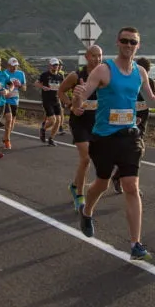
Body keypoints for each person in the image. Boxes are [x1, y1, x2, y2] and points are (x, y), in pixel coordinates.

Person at [73, 27, 155, 260]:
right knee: (102, 183)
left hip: (129, 136)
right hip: (104, 137)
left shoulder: (140, 72)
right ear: (117, 42)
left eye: (133, 42)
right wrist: (78, 97)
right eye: (125, 41)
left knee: (131, 185)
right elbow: (82, 98)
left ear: (138, 46)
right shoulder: (103, 69)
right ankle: (87, 211)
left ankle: (135, 244)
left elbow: (151, 100)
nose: (129, 45)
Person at [59, 45, 103, 210]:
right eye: (94, 55)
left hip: (97, 122)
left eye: (100, 56)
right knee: (85, 159)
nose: (97, 59)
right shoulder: (76, 76)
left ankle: (74, 185)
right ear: (86, 56)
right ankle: (79, 195)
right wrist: (71, 106)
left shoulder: (104, 75)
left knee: (95, 159)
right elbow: (61, 92)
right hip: (79, 122)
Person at [112, 56, 155, 195]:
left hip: (143, 121)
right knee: (136, 151)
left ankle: (118, 176)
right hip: (127, 121)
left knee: (136, 152)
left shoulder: (151, 83)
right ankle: (131, 184)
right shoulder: (129, 82)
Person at [37, 58, 65, 146]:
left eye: (56, 65)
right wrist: (43, 87)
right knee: (53, 120)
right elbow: (36, 83)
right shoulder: (45, 75)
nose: (55, 66)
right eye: (54, 65)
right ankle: (43, 129)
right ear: (50, 65)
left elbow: (63, 87)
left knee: (58, 121)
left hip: (56, 100)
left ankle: (51, 139)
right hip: (47, 100)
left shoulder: (60, 76)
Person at [2, 57, 26, 150]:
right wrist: (6, 92)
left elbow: (24, 88)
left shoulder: (20, 73)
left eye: (16, 66)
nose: (15, 67)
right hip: (6, 100)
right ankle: (7, 140)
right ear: (8, 65)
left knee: (12, 122)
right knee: (9, 119)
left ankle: (6, 136)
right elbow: (1, 86)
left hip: (15, 100)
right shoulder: (4, 73)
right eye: (13, 66)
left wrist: (20, 85)